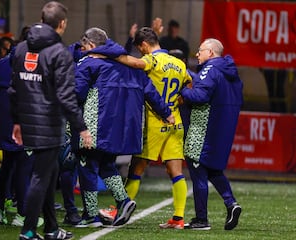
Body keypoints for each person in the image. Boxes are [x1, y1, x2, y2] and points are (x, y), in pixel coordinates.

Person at [74, 27, 174, 228]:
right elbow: (151, 92)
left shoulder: (89, 63)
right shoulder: (130, 64)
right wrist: (166, 113)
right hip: (120, 129)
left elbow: (77, 93)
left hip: (95, 126)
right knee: (107, 165)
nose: (82, 50)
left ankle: (91, 215)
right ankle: (124, 200)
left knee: (88, 166)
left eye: (84, 46)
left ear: (91, 45)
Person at [10, 2, 92, 240]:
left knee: (48, 172)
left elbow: (13, 89)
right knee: (40, 177)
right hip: (49, 123)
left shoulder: (21, 48)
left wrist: (16, 121)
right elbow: (66, 96)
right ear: (62, 24)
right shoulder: (59, 52)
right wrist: (82, 127)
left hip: (27, 121)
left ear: (42, 19)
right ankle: (27, 230)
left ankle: (52, 229)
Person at [101, 27, 189, 229]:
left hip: (155, 123)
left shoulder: (153, 60)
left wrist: (112, 54)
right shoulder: (179, 63)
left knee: (136, 169)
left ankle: (119, 209)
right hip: (175, 122)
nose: (141, 53)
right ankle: (178, 218)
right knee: (175, 171)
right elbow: (189, 86)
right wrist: (180, 99)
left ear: (145, 46)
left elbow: (136, 63)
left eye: (141, 49)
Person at [180, 38, 243, 230]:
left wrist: (182, 90)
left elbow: (200, 96)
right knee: (213, 169)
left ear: (211, 52)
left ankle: (201, 219)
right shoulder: (229, 71)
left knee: (198, 169)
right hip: (221, 129)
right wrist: (190, 75)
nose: (197, 54)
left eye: (200, 51)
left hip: (204, 129)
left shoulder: (210, 68)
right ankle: (231, 203)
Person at [0, 48, 43, 228]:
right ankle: (22, 214)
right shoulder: (32, 65)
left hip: (2, 125)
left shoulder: (1, 63)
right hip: (22, 125)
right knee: (24, 170)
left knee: (6, 167)